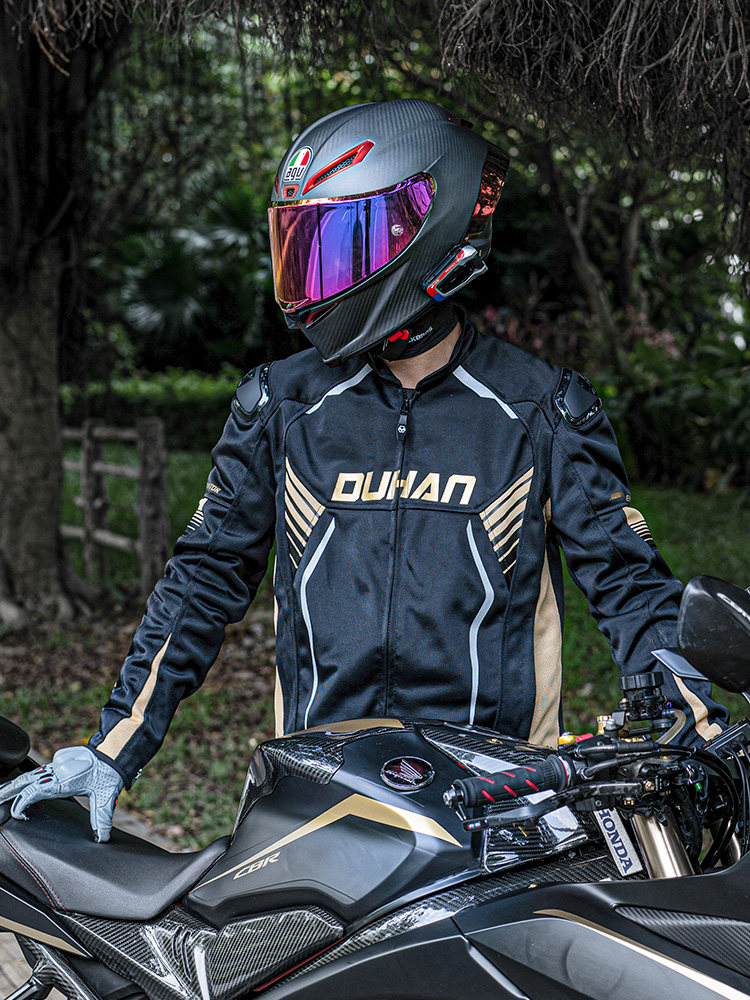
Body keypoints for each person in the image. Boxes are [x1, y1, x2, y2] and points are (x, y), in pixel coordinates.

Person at [0, 99, 728, 842]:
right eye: (304, 246)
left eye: (340, 245)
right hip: (312, 806)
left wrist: (701, 728)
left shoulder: (541, 411)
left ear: (427, 229)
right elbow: (203, 579)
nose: (315, 275)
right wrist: (113, 748)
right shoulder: (280, 406)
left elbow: (631, 589)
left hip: (495, 812)